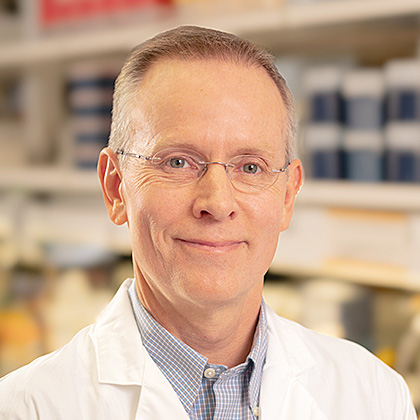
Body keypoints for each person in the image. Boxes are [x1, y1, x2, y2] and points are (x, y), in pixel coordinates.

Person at [0, 25, 416, 420]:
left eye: (250, 167)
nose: (217, 202)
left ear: (288, 195)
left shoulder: (373, 396)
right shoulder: (27, 407)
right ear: (116, 187)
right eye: (178, 161)